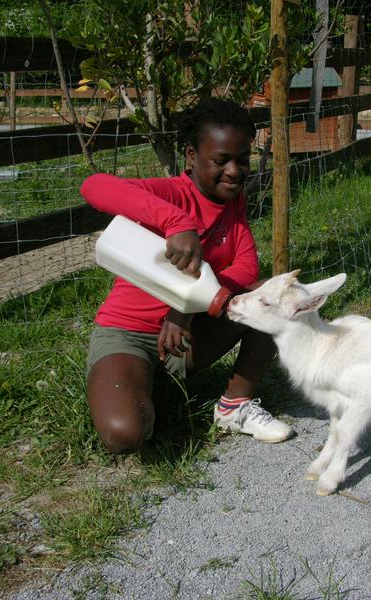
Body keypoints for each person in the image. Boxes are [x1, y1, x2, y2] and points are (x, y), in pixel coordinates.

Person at [81, 97, 293, 454]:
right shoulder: (172, 196)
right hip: (129, 334)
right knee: (124, 434)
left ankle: (234, 406)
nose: (234, 171)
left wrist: (184, 307)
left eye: (242, 159)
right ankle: (136, 384)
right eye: (221, 160)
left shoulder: (232, 202)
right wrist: (176, 222)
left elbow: (246, 267)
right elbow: (93, 186)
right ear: (192, 156)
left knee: (276, 295)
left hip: (187, 336)